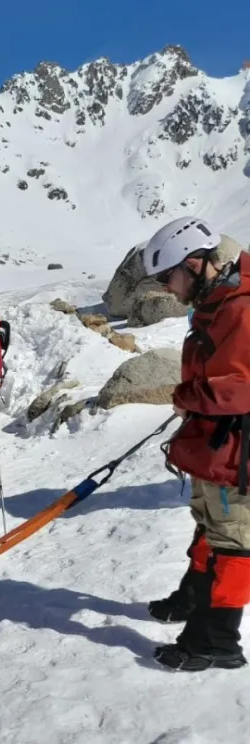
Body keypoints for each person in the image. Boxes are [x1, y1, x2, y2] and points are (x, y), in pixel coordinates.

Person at [140, 216, 250, 672]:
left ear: (195, 263)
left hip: (238, 451)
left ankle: (216, 640)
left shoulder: (241, 310)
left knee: (233, 542)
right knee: (210, 527)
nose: (167, 288)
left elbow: (241, 386)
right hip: (217, 444)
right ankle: (191, 601)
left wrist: (189, 398)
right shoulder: (217, 304)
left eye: (169, 276)